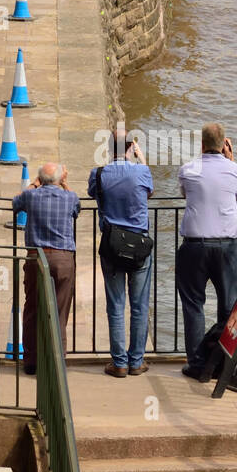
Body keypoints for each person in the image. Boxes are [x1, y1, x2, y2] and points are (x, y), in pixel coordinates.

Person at [176, 123, 237, 380]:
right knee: (229, 306)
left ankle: (197, 363)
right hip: (226, 246)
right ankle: (222, 363)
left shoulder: (188, 170)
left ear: (202, 144)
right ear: (223, 145)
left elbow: (186, 194)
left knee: (193, 303)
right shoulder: (235, 170)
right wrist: (232, 160)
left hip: (194, 245)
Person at [88, 131, 154, 378]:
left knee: (116, 305)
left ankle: (119, 363)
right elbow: (150, 190)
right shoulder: (141, 171)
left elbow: (94, 193)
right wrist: (142, 158)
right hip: (139, 246)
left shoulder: (99, 173)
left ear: (108, 147)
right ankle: (136, 361)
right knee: (139, 306)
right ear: (130, 147)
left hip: (112, 245)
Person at [12, 163, 80, 376]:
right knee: (60, 311)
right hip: (63, 259)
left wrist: (34, 183)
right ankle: (56, 361)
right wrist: (65, 184)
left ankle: (31, 361)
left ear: (41, 179)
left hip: (36, 257)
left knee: (32, 308)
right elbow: (76, 208)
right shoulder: (70, 197)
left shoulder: (31, 197)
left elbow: (15, 203)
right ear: (59, 179)